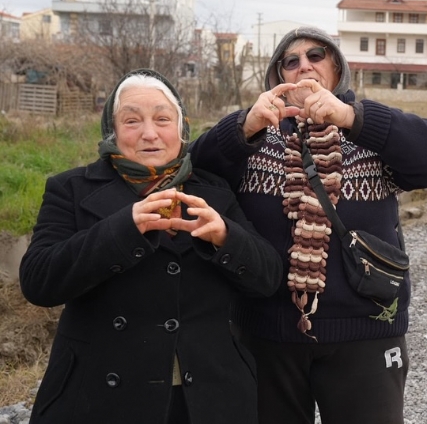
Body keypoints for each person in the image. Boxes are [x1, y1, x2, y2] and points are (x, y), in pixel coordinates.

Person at [189, 26, 427, 424]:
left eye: (316, 55)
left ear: (336, 67)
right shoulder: (255, 137)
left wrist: (350, 116)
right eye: (290, 61)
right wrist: (245, 125)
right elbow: (196, 169)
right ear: (278, 78)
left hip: (365, 334)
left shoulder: (366, 129)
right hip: (267, 334)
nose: (304, 66)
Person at [19, 69, 284, 424]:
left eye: (162, 119)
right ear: (111, 131)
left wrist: (225, 237)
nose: (149, 133)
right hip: (100, 397)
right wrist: (122, 229)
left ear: (181, 129)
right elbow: (39, 281)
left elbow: (267, 279)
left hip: (210, 396)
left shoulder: (214, 191)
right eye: (132, 120)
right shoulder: (71, 189)